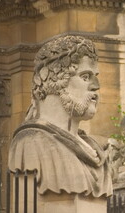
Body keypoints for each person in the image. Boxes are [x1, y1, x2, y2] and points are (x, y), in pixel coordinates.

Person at [8, 35, 113, 197]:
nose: (96, 86)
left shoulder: (94, 150)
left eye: (95, 77)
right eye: (85, 77)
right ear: (55, 80)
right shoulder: (31, 143)